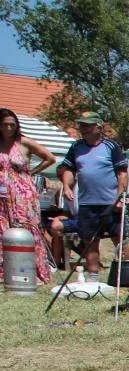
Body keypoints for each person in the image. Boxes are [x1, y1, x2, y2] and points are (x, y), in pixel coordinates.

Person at [56, 111, 127, 282]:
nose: (84, 129)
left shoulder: (111, 146)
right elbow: (68, 170)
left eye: (88, 125)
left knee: (119, 238)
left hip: (110, 202)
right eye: (82, 125)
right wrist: (66, 186)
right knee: (90, 240)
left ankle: (125, 273)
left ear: (99, 127)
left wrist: (120, 198)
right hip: (87, 203)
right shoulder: (76, 147)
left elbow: (122, 174)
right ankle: (93, 275)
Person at [0, 107, 57, 286]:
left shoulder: (24, 142)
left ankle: (36, 272)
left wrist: (31, 172)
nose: (9, 128)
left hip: (23, 194)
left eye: (12, 125)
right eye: (5, 125)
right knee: (3, 231)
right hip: (2, 194)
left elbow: (50, 158)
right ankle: (7, 272)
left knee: (27, 229)